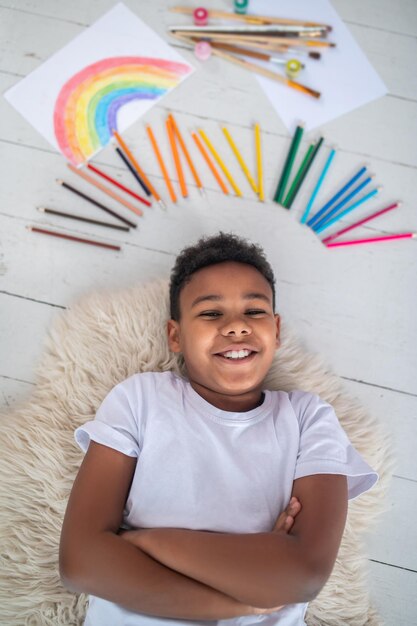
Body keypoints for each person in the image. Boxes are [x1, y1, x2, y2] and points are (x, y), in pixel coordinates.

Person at [59, 232, 378, 625]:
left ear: (276, 331)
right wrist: (246, 598)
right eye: (211, 314)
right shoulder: (139, 400)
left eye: (255, 311)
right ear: (175, 335)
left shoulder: (308, 419)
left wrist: (141, 541)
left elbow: (303, 575)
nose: (237, 327)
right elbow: (81, 563)